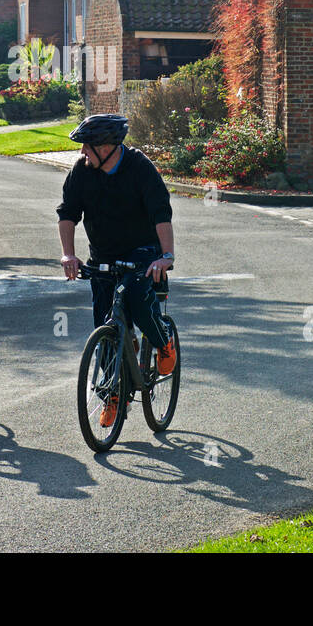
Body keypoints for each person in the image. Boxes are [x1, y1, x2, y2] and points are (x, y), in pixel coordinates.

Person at [57, 114, 176, 425]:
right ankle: (113, 395)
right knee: (104, 326)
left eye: (87, 146)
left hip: (141, 253)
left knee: (138, 298)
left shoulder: (139, 168)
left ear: (106, 147)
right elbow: (68, 214)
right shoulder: (81, 172)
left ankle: (162, 341)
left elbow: (161, 213)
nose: (82, 152)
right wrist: (68, 255)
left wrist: (166, 255)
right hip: (103, 256)